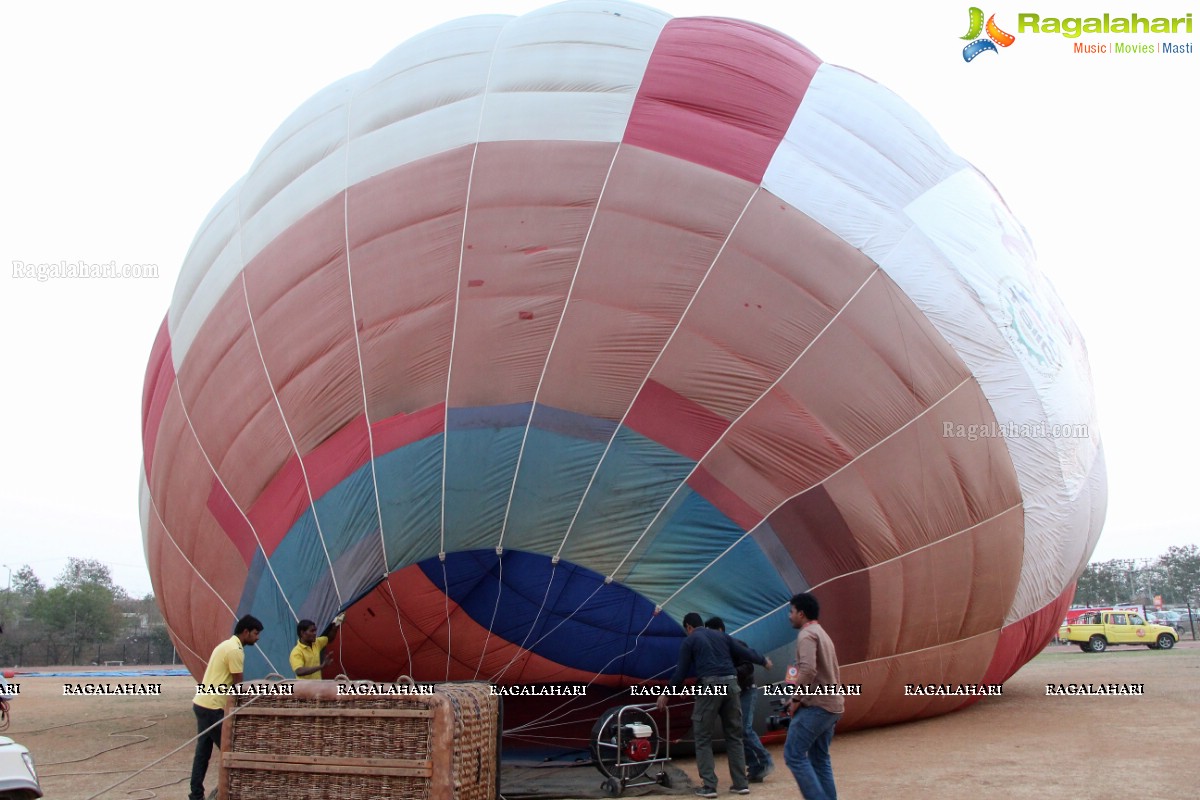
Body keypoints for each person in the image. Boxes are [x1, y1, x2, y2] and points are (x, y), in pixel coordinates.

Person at [656, 612, 770, 798]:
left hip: (710, 687)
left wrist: (667, 694)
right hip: (732, 686)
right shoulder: (722, 636)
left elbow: (681, 672)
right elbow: (745, 652)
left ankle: (709, 786)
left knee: (702, 737)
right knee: (734, 736)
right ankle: (741, 784)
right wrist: (763, 660)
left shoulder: (691, 640)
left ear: (689, 627)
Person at [190, 614, 263, 800]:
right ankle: (233, 791)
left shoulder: (225, 645)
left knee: (203, 752)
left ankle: (196, 795)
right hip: (212, 707)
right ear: (245, 632)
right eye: (255, 633)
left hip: (201, 703)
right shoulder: (235, 650)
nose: (258, 638)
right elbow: (238, 685)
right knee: (230, 750)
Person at [783, 593, 842, 800]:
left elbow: (807, 670)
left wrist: (796, 700)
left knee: (794, 755)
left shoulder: (806, 635)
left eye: (791, 612)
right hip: (833, 705)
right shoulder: (822, 633)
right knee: (819, 759)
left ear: (801, 613)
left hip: (817, 706)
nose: (789, 616)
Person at [705, 617, 775, 783]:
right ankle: (755, 767)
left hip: (746, 691)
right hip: (731, 694)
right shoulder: (712, 650)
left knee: (744, 728)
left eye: (711, 633)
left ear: (720, 631)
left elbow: (749, 666)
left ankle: (765, 761)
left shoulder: (735, 644)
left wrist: (730, 674)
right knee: (736, 731)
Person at [289, 613, 345, 679]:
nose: (315, 633)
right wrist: (321, 666)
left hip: (317, 686)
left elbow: (329, 638)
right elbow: (299, 671)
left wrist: (336, 625)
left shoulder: (316, 643)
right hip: (304, 688)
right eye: (312, 631)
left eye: (315, 631)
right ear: (302, 633)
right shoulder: (296, 652)